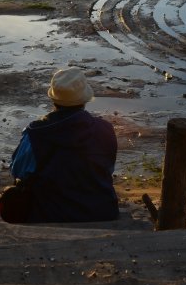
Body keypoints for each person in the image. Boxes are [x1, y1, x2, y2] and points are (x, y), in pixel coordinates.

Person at [10, 66, 119, 223]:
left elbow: (18, 171)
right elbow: (107, 168)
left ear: (54, 99)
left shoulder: (36, 132)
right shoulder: (106, 129)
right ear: (84, 99)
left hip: (49, 214)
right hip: (102, 211)